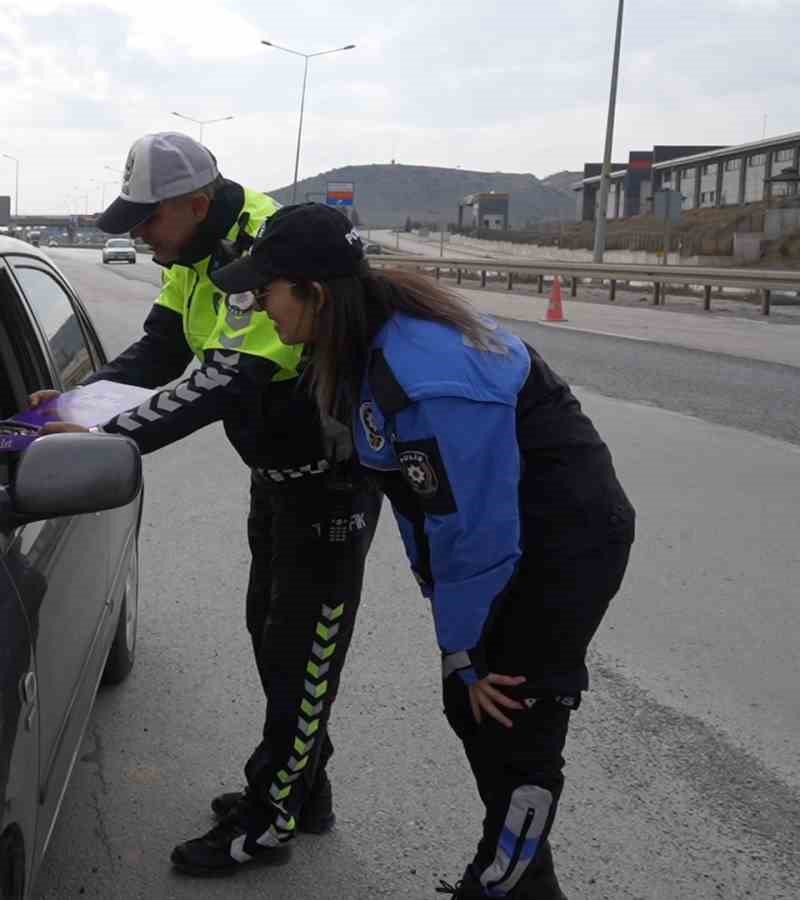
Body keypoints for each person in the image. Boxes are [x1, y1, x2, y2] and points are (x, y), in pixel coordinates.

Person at [209, 202, 636, 899]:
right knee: (469, 701)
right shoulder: (365, 342)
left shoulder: (421, 372)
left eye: (268, 292)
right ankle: (518, 878)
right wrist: (449, 621)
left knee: (511, 715)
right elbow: (419, 502)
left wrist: (464, 645)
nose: (261, 307)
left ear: (315, 293)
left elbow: (470, 528)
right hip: (509, 535)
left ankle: (508, 884)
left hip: (562, 544)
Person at [33, 132, 384, 875]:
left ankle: (271, 817)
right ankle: (303, 788)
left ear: (196, 203)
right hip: (278, 477)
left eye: (146, 219)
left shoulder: (264, 250)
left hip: (329, 483)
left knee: (301, 656)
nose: (136, 234)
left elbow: (223, 381)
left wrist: (99, 439)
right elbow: (158, 352)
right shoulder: (190, 254)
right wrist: (69, 407)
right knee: (268, 632)